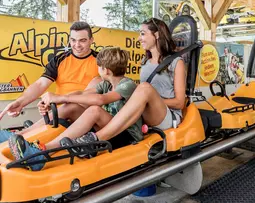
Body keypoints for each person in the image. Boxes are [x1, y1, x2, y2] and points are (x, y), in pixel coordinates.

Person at [9, 18, 186, 170]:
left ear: (156, 35)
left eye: (142, 33)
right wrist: (56, 99)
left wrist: (140, 100)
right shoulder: (145, 62)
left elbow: (180, 102)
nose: (139, 38)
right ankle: (28, 141)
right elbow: (88, 94)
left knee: (144, 89)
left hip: (167, 117)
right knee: (76, 105)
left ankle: (94, 140)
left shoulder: (176, 63)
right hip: (140, 114)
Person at [9, 47, 143, 171]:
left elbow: (100, 100)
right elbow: (82, 94)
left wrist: (61, 98)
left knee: (94, 110)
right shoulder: (106, 84)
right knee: (71, 106)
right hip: (110, 129)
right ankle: (23, 135)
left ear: (106, 70)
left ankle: (42, 153)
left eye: (98, 67)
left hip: (126, 135)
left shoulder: (128, 84)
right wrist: (56, 98)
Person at [0, 21, 100, 142]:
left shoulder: (101, 62)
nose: (77, 45)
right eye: (73, 40)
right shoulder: (59, 59)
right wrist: (20, 102)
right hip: (58, 114)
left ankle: (19, 136)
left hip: (84, 115)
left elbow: (94, 94)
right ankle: (25, 137)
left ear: (91, 40)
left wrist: (59, 98)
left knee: (70, 106)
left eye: (82, 40)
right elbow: (40, 84)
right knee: (58, 109)